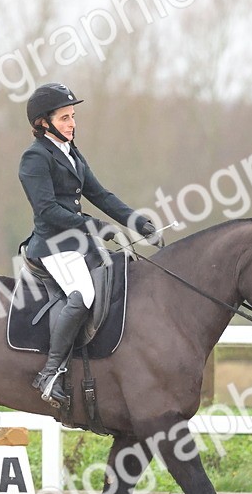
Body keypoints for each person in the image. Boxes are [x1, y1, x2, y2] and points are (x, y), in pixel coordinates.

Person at [18, 82, 161, 408]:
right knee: (83, 295)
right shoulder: (35, 158)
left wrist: (137, 222)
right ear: (44, 122)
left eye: (73, 117)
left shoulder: (71, 152)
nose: (72, 123)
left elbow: (100, 194)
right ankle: (50, 373)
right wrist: (95, 226)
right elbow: (48, 210)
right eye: (65, 118)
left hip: (77, 242)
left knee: (119, 277)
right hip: (51, 246)